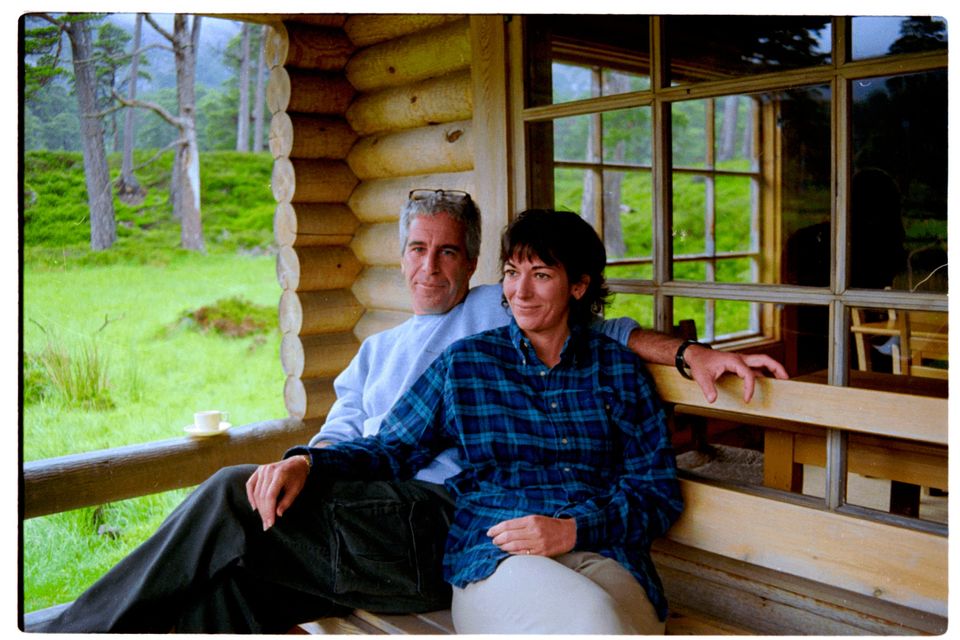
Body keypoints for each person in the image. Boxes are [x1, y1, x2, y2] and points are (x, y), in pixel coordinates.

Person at [35, 191, 784, 633]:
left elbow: (611, 336)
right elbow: (373, 444)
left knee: (237, 506)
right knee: (247, 565)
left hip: (438, 517)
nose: (433, 267)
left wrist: (691, 355)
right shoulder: (390, 353)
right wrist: (307, 460)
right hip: (408, 518)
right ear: (400, 254)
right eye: (419, 250)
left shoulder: (498, 312)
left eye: (451, 252)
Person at [279, 208, 683, 633]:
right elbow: (390, 447)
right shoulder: (466, 363)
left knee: (630, 628)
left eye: (541, 275)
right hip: (500, 554)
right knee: (597, 624)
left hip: (605, 550)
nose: (520, 292)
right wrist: (308, 462)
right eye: (512, 272)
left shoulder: (617, 370)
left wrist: (574, 530)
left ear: (579, 287)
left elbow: (656, 491)